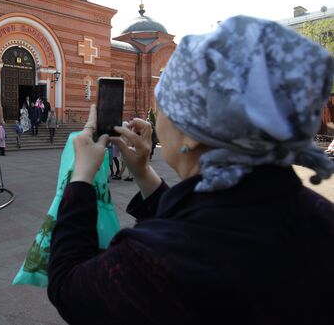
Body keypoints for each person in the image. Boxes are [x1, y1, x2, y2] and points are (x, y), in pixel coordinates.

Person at [47, 16, 334, 324]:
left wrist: (81, 178)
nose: (156, 118)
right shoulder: (319, 216)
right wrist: (143, 174)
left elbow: (69, 287)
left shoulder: (158, 256)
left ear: (192, 134)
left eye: (162, 107)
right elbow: (208, 217)